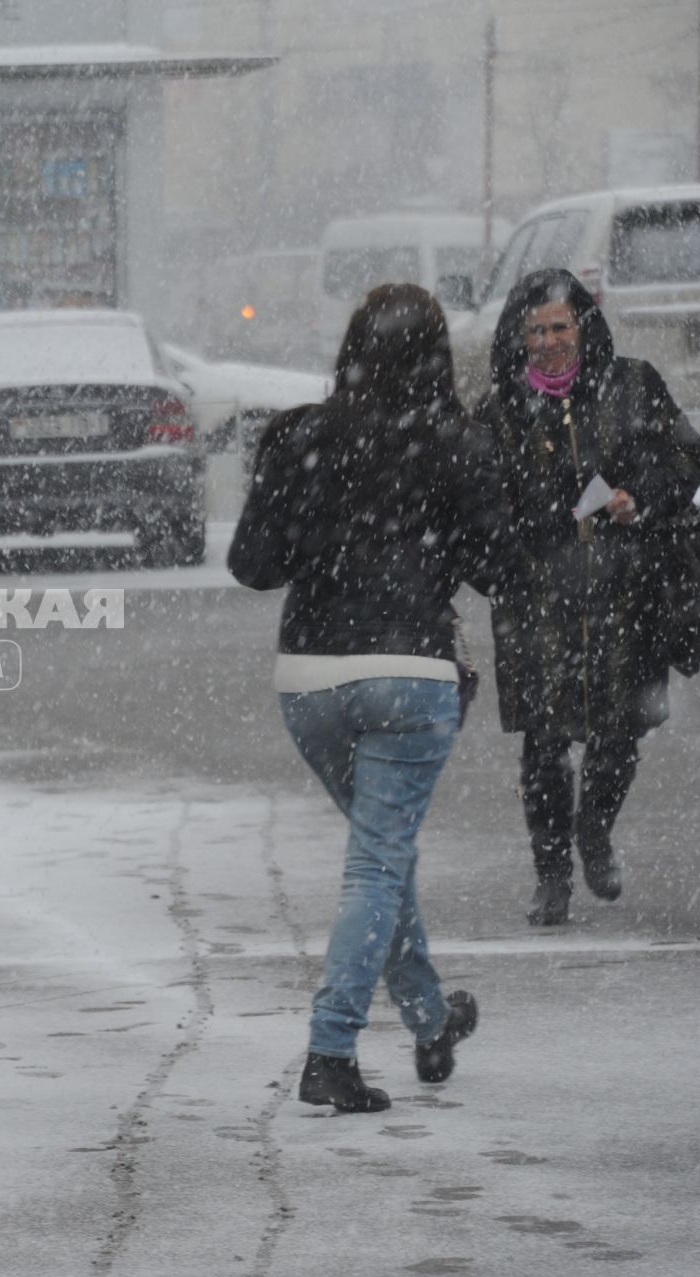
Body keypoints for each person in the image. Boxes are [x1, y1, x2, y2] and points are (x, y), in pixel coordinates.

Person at [229, 284, 509, 1113]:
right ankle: (331, 1049)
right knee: (379, 862)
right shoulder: (457, 443)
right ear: (434, 357)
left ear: (350, 351)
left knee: (382, 858)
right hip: (409, 672)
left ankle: (430, 1018)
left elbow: (254, 565)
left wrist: (322, 520)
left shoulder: (301, 437)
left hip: (310, 678)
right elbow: (497, 569)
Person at [472, 269, 689, 926]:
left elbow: (682, 463)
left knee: (620, 732)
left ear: (583, 326)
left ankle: (593, 829)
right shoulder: (499, 412)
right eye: (534, 330)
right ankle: (552, 873)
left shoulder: (635, 384)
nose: (547, 342)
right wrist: (531, 534)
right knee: (543, 742)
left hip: (628, 594)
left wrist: (637, 499)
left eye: (559, 326)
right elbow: (481, 510)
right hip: (539, 601)